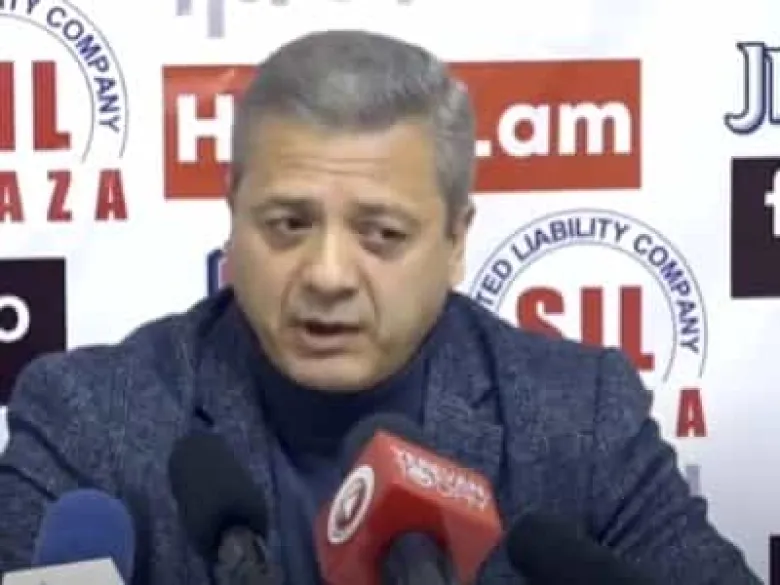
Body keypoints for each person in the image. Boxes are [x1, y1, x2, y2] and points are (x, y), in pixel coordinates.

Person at [0, 29, 761, 585]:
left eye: (382, 234)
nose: (328, 274)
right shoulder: (90, 418)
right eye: (288, 224)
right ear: (232, 217)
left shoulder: (578, 415)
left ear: (456, 240)